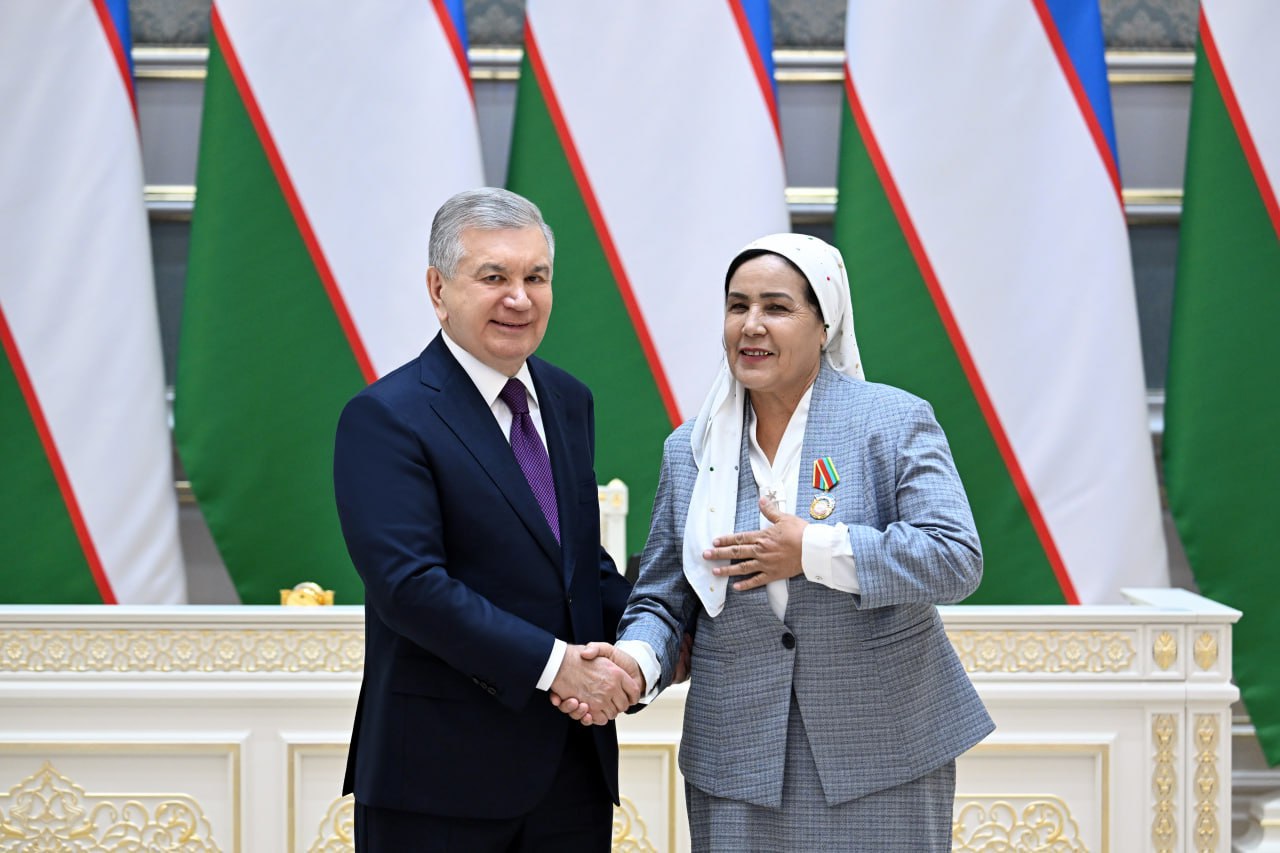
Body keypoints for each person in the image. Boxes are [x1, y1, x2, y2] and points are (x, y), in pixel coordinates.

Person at [558, 233, 994, 851]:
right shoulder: (691, 449)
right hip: (737, 758)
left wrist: (811, 551)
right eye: (737, 306)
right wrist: (634, 661)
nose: (751, 325)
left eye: (777, 307)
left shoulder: (892, 421)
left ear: (824, 324)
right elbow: (664, 599)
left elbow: (954, 558)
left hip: (884, 752)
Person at [333, 187, 637, 852]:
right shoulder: (386, 416)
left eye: (536, 277)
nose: (519, 298)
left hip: (571, 775)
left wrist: (651, 646)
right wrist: (558, 666)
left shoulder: (568, 400)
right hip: (438, 783)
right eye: (494, 277)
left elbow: (579, 567)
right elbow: (410, 587)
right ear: (438, 290)